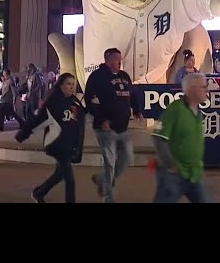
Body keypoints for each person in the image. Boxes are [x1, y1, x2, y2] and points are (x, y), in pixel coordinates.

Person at [16, 73, 86, 202]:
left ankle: (39, 192)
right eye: (68, 84)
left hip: (69, 144)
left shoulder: (75, 102)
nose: (71, 87)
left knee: (59, 175)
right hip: (57, 144)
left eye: (72, 84)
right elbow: (38, 120)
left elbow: (80, 122)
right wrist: (23, 133)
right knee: (70, 179)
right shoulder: (53, 103)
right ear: (60, 85)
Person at [85, 48, 142, 203]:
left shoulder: (124, 76)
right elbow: (89, 100)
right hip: (105, 128)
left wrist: (137, 110)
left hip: (123, 127)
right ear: (108, 60)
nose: (119, 62)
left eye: (120, 59)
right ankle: (108, 198)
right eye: (117, 59)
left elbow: (133, 94)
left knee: (127, 157)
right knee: (109, 163)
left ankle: (102, 178)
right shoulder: (97, 76)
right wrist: (102, 119)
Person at [152, 73, 209, 203]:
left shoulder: (199, 112)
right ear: (193, 89)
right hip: (174, 175)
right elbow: (158, 137)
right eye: (204, 86)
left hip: (195, 173)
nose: (207, 90)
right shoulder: (175, 110)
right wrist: (170, 165)